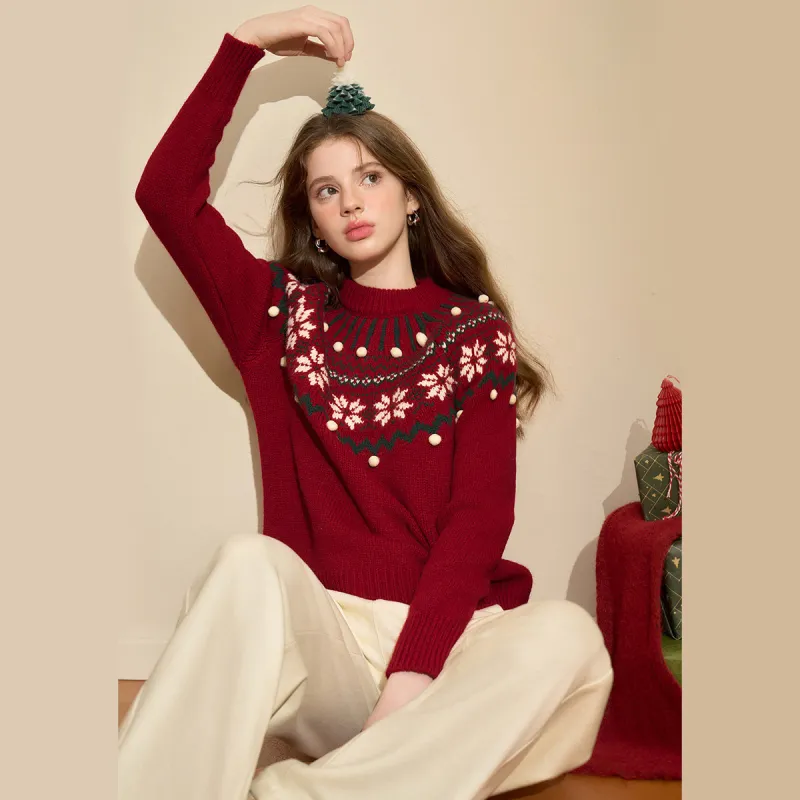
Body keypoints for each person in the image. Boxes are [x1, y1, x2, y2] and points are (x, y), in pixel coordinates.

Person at [118, 7, 613, 800]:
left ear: (411, 195)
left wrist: (415, 673)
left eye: (370, 178)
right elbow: (166, 196)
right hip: (332, 648)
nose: (351, 201)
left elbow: (479, 516)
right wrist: (245, 47)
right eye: (327, 189)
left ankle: (313, 791)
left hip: (450, 649)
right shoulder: (281, 319)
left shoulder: (473, 331)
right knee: (247, 564)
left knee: (570, 638)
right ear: (313, 219)